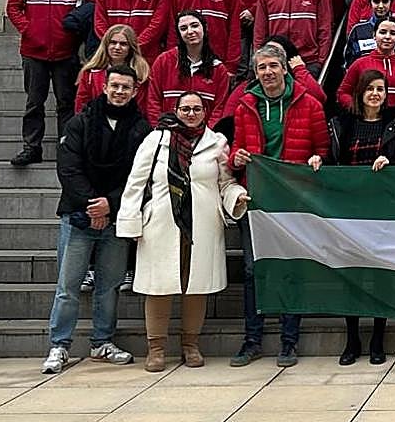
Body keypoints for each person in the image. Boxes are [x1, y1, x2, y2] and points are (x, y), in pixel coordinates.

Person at [116, 90, 246, 372]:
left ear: (205, 112)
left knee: (195, 286)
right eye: (185, 108)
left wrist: (236, 196)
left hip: (202, 225)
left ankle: (191, 345)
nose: (191, 113)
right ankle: (157, 348)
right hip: (161, 223)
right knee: (158, 287)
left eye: (196, 109)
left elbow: (225, 183)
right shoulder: (157, 140)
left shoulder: (216, 143)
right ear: (175, 111)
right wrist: (130, 220)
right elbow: (136, 182)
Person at [42, 65, 151, 373]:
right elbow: (68, 170)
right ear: (105, 87)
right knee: (68, 286)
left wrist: (111, 205)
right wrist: (94, 205)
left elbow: (138, 175)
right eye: (114, 86)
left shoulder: (141, 129)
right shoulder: (80, 122)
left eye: (125, 87)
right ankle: (59, 345)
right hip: (78, 216)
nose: (119, 92)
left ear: (134, 91)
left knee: (109, 285)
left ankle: (102, 341)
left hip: (116, 218)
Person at [229, 44, 329, 368]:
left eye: (273, 66)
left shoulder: (309, 104)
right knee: (252, 270)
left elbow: (322, 150)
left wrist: (318, 159)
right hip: (256, 198)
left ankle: (289, 342)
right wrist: (237, 158)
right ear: (255, 73)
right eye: (262, 68)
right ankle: (252, 340)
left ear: (285, 68)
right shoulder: (246, 105)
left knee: (290, 267)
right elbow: (236, 152)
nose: (268, 72)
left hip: (292, 200)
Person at [328, 70, 395, 365]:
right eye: (370, 88)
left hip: (384, 212)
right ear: (359, 93)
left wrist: (392, 163)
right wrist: (320, 159)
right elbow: (331, 159)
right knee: (351, 276)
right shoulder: (341, 124)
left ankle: (378, 339)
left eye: (380, 89)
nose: (375, 94)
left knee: (381, 275)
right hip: (349, 212)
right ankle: (352, 338)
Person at [7, 0, 99, 166]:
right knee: (34, 102)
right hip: (32, 51)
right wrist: (29, 30)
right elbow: (13, 7)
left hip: (65, 50)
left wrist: (75, 21)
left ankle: (66, 148)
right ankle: (31, 147)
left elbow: (94, 0)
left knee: (66, 102)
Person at [337, 18, 395, 123]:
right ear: (374, 35)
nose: (387, 37)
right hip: (366, 124)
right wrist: (359, 110)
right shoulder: (360, 64)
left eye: (393, 33)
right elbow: (342, 93)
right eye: (382, 32)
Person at [147, 10, 231, 126]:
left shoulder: (218, 69)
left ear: (205, 28)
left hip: (205, 138)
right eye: (183, 28)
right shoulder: (163, 62)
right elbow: (153, 102)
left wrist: (207, 135)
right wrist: (160, 129)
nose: (190, 31)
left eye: (195, 26)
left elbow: (219, 108)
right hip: (168, 134)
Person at [75, 24, 150, 114]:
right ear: (106, 45)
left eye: (123, 44)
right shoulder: (90, 73)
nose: (117, 47)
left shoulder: (141, 74)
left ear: (131, 47)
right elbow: (81, 105)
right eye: (113, 42)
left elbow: (143, 107)